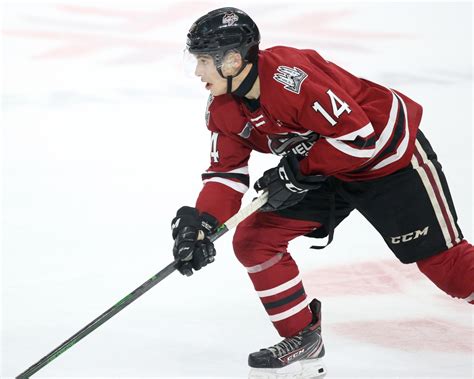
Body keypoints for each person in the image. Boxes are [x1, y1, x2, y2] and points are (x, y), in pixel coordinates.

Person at [170, 6, 474, 371]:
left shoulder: (289, 79)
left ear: (233, 60)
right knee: (253, 240)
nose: (198, 72)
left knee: (449, 270)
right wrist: (202, 223)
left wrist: (297, 172)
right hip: (323, 168)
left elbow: (358, 136)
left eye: (204, 61)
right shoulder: (224, 107)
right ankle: (303, 339)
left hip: (387, 159)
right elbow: (226, 173)